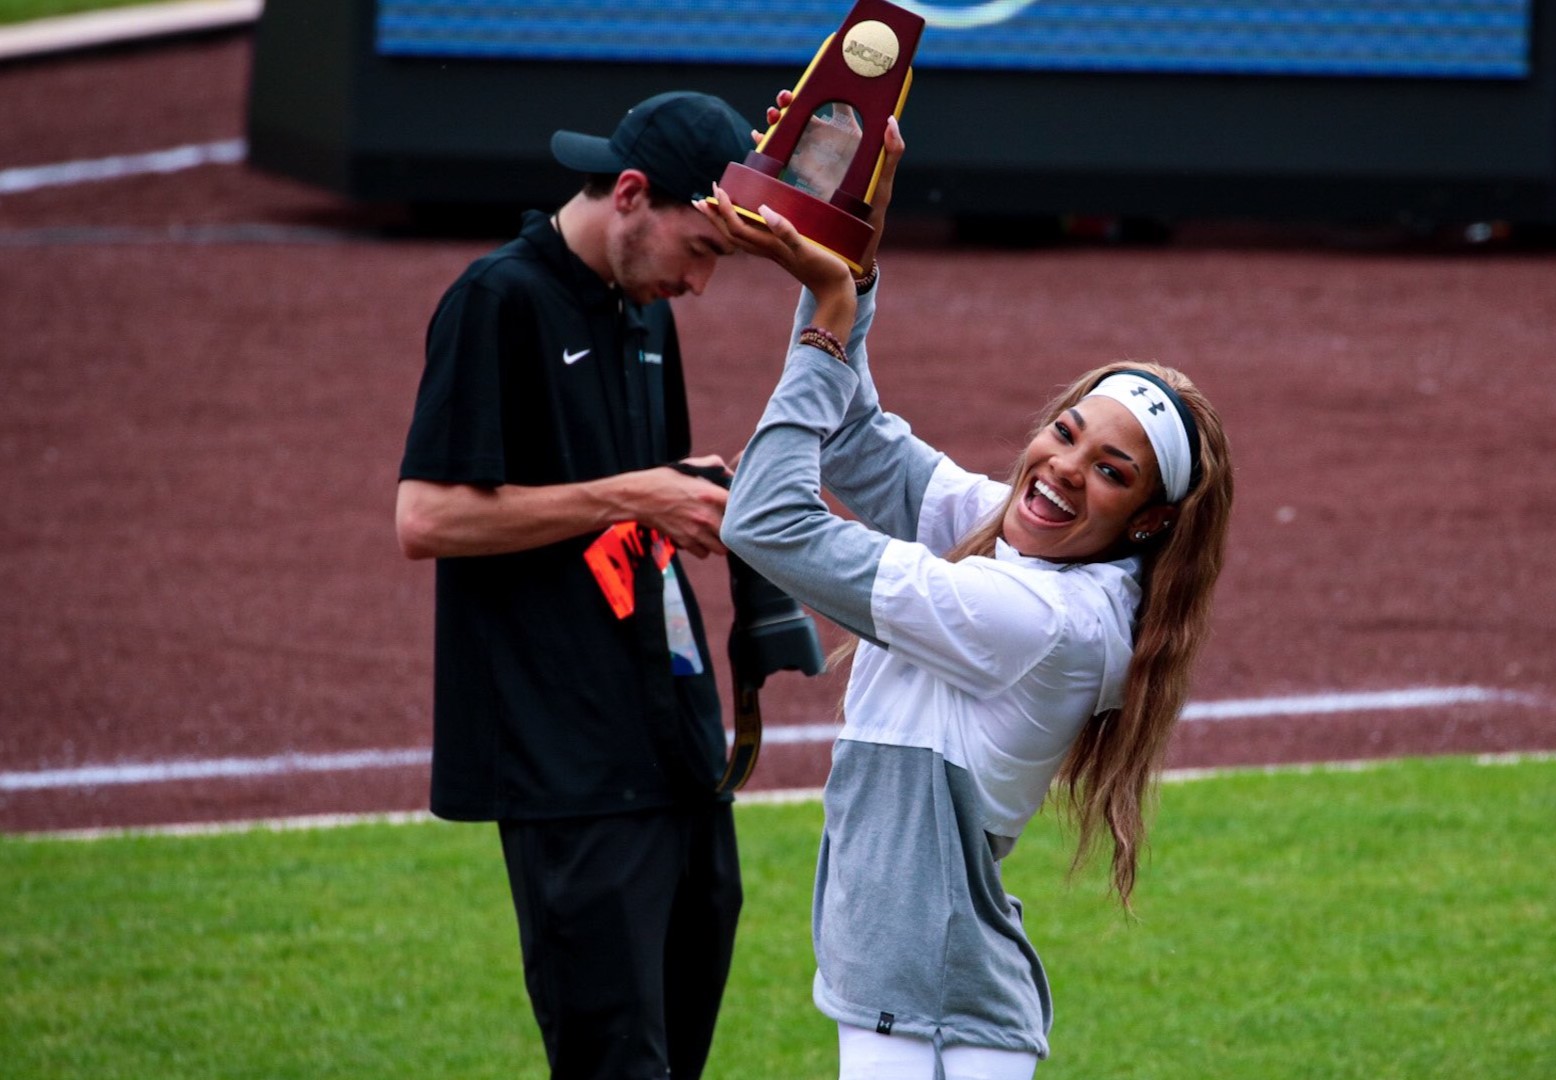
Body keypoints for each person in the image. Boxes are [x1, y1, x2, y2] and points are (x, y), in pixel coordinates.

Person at [704, 118, 1235, 1079]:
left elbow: (768, 522)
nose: (1061, 470)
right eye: (1065, 433)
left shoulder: (1039, 619)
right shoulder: (1013, 539)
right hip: (918, 1000)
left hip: (936, 1021)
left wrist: (828, 308)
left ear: (1149, 521)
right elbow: (858, 441)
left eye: (1109, 471)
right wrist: (851, 266)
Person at [394, 91, 756, 1080]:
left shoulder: (645, 313)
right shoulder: (497, 302)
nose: (704, 282)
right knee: (614, 1062)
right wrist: (628, 493)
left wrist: (695, 500)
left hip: (670, 739)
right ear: (631, 194)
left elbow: (643, 511)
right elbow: (426, 519)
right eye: (701, 248)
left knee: (678, 1049)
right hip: (564, 759)